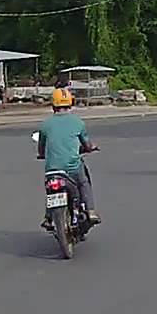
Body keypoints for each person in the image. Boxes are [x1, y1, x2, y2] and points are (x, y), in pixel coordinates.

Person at [38, 87, 100, 227]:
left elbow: (41, 147)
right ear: (71, 103)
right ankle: (90, 210)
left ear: (53, 105)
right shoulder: (78, 122)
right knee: (83, 182)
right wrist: (91, 148)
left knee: (51, 190)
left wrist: (41, 155)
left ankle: (48, 217)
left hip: (53, 169)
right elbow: (87, 145)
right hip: (73, 168)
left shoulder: (45, 125)